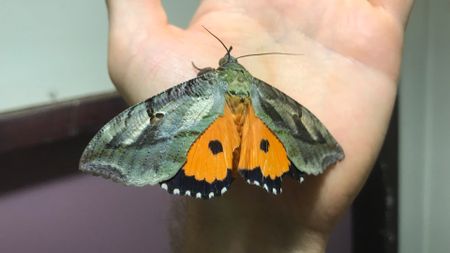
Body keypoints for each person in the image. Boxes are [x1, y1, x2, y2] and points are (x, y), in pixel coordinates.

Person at [105, 1, 413, 252]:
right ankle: (260, 166)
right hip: (255, 133)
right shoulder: (260, 89)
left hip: (211, 146)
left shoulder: (209, 81)